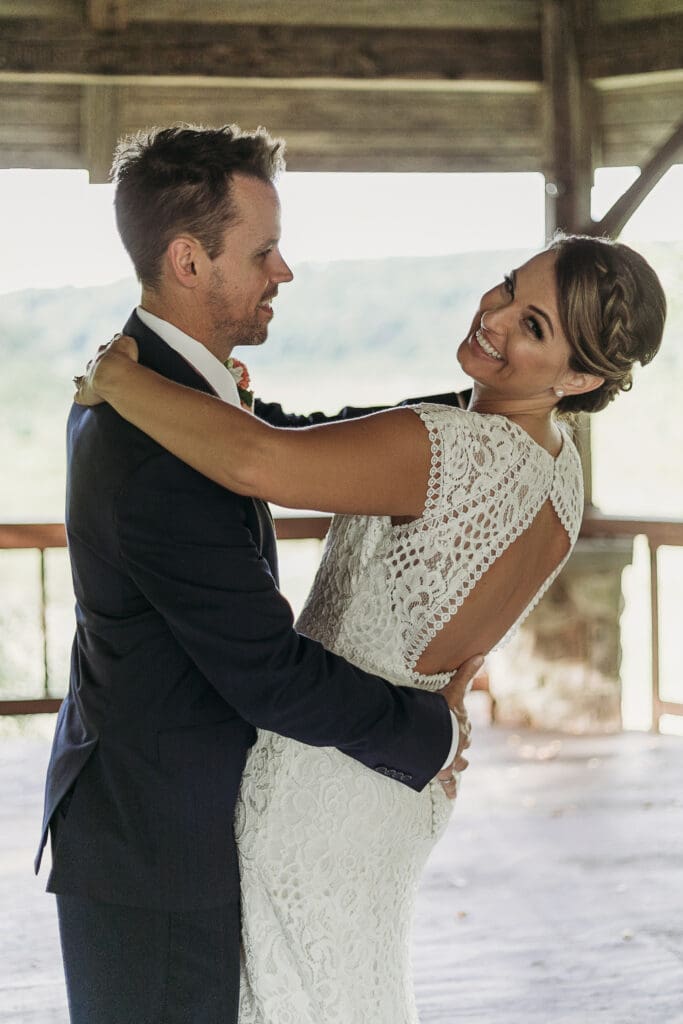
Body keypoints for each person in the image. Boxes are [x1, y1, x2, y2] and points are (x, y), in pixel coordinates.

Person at [75, 231, 666, 1022]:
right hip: (398, 793)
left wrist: (116, 377)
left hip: (319, 779)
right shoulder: (556, 466)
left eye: (532, 326)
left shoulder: (448, 448)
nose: (493, 317)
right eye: (505, 288)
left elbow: (258, 463)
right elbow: (315, 440)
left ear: (582, 375)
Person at [35, 124, 479, 1024]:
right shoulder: (156, 445)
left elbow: (296, 438)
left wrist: (481, 415)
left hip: (157, 825)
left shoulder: (177, 393)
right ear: (189, 260)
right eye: (265, 250)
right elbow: (264, 671)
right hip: (154, 850)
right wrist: (424, 733)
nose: (285, 271)